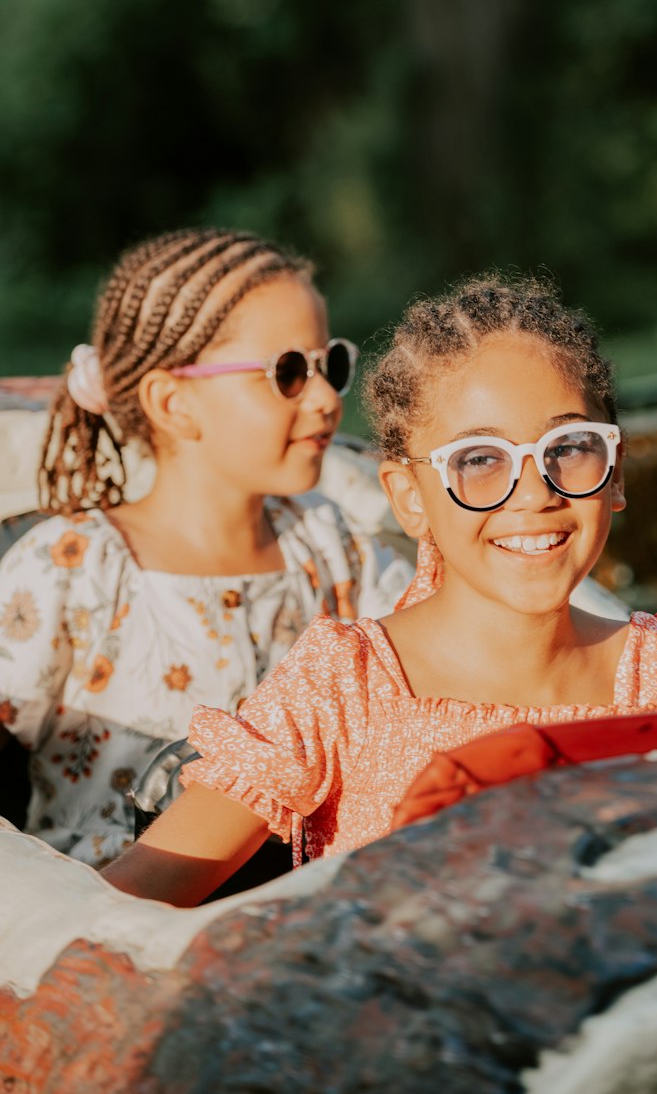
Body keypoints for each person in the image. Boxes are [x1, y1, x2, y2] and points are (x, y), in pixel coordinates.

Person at [102, 273, 657, 907]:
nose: (536, 492)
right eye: (478, 460)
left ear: (615, 475)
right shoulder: (345, 686)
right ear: (409, 499)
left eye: (570, 446)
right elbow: (129, 903)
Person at [0, 227, 411, 866]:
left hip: (300, 910)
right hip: (108, 923)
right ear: (172, 401)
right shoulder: (70, 567)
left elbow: (434, 649)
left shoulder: (332, 548)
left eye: (329, 365)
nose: (329, 399)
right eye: (289, 373)